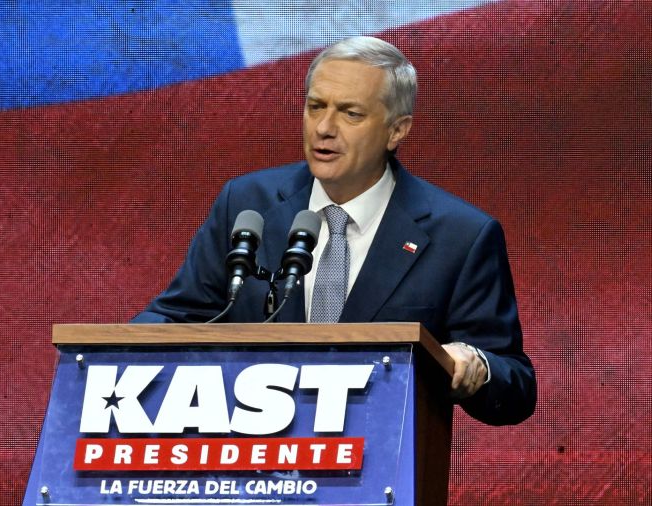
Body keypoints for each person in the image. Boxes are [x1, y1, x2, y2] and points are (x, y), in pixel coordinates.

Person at [132, 36, 536, 426]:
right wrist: (107, 348)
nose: (324, 127)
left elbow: (515, 384)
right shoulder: (247, 203)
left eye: (351, 113)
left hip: (375, 471)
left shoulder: (460, 236)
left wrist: (476, 367)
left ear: (397, 130)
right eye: (315, 107)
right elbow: (178, 316)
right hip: (249, 465)